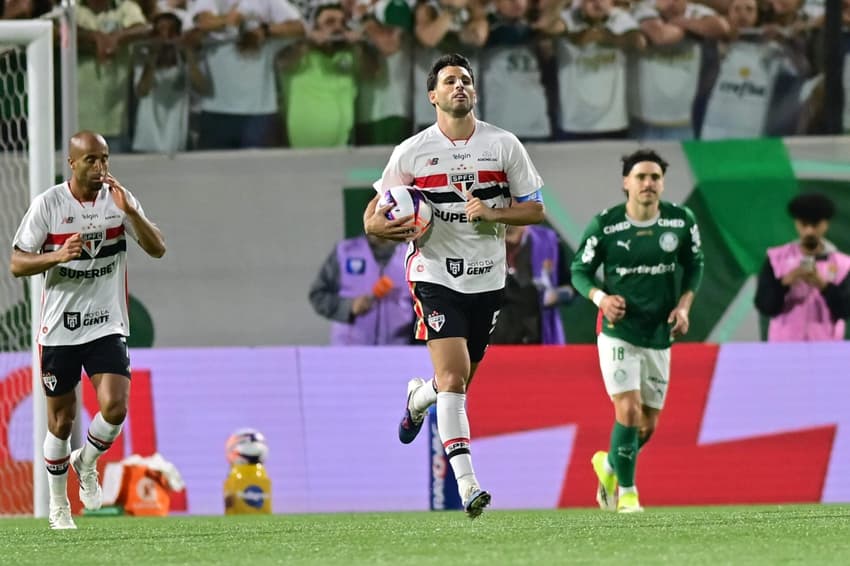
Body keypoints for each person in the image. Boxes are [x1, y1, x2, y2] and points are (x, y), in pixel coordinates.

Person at [363, 52, 545, 518]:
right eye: (450, 81)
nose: (459, 86)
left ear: (474, 92)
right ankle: (469, 487)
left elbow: (535, 209)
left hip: (487, 279)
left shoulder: (503, 146)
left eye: (466, 80)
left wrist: (492, 213)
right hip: (434, 273)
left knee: (453, 387)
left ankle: (416, 399)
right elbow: (373, 218)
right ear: (433, 96)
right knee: (454, 379)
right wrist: (388, 229)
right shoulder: (411, 152)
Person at [10, 131, 166, 529]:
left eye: (105, 159)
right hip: (60, 330)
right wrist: (58, 255)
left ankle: (88, 461)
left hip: (105, 323)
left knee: (115, 408)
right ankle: (59, 504)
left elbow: (158, 247)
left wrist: (130, 213)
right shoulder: (49, 204)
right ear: (72, 163)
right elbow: (16, 261)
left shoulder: (119, 199)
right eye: (92, 161)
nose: (101, 169)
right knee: (61, 423)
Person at [570, 148, 704, 513]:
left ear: (662, 184)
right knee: (627, 412)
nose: (648, 183)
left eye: (655, 177)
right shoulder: (606, 225)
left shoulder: (680, 222)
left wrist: (684, 306)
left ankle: (609, 465)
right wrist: (601, 298)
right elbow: (579, 271)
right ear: (625, 183)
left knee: (646, 426)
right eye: (641, 177)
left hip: (659, 333)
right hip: (617, 330)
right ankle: (627, 493)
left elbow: (695, 266)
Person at [754, 193, 850, 341]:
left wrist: (823, 285)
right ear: (796, 223)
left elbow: (845, 311)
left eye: (815, 224)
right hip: (784, 349)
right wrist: (785, 282)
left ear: (825, 224)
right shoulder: (776, 259)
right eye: (804, 224)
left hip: (827, 351)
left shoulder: (843, 265)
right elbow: (764, 306)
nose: (809, 231)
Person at [308, 233, 414, 345]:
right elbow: (317, 295)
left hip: (398, 350)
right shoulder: (345, 251)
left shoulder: (411, 255)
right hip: (349, 350)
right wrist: (349, 306)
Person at [490, 224, 575, 345]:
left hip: (537, 339)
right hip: (493, 341)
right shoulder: (479, 243)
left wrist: (555, 295)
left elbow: (571, 286)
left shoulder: (550, 241)